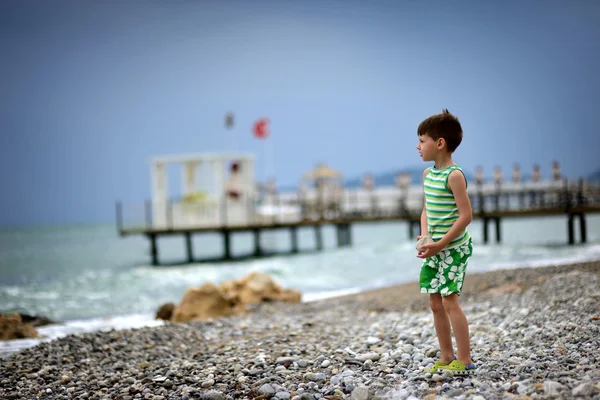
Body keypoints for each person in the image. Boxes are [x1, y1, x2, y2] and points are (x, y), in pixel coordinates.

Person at [415, 109, 476, 375]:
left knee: (450, 302)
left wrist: (441, 244)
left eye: (422, 140)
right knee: (435, 303)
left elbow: (466, 216)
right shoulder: (428, 175)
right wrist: (426, 236)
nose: (418, 146)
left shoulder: (454, 175)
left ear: (440, 143)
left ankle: (464, 359)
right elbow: (426, 210)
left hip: (453, 249)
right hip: (435, 248)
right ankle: (445, 355)